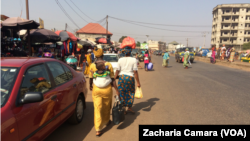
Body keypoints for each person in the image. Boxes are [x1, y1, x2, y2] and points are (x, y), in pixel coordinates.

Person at [89, 48, 120, 137]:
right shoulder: (108, 65)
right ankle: (106, 121)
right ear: (103, 55)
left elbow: (91, 78)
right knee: (106, 106)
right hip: (107, 89)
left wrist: (90, 86)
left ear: (95, 56)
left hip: (96, 89)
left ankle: (98, 129)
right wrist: (116, 90)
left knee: (97, 108)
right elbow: (112, 79)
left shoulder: (92, 65)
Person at [114, 46, 141, 115]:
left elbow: (117, 70)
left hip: (122, 78)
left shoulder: (120, 59)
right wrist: (138, 82)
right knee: (130, 93)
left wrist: (114, 79)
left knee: (122, 92)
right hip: (130, 78)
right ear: (130, 52)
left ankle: (123, 108)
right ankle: (129, 107)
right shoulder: (133, 60)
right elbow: (135, 71)